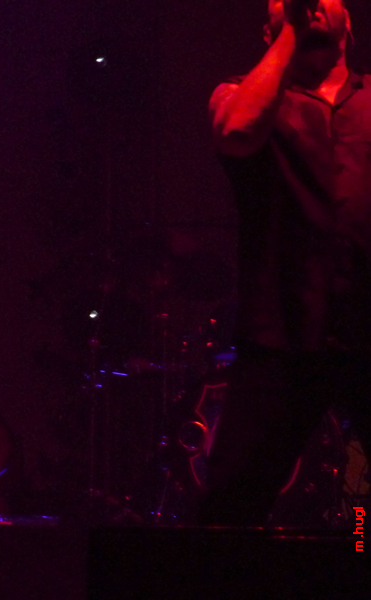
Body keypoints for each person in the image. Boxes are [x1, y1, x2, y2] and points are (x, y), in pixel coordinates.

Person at [196, 0, 371, 526]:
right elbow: (236, 132)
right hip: (280, 337)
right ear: (268, 29)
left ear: (349, 25)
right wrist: (291, 32)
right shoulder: (239, 93)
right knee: (231, 508)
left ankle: (360, 547)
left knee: (363, 522)